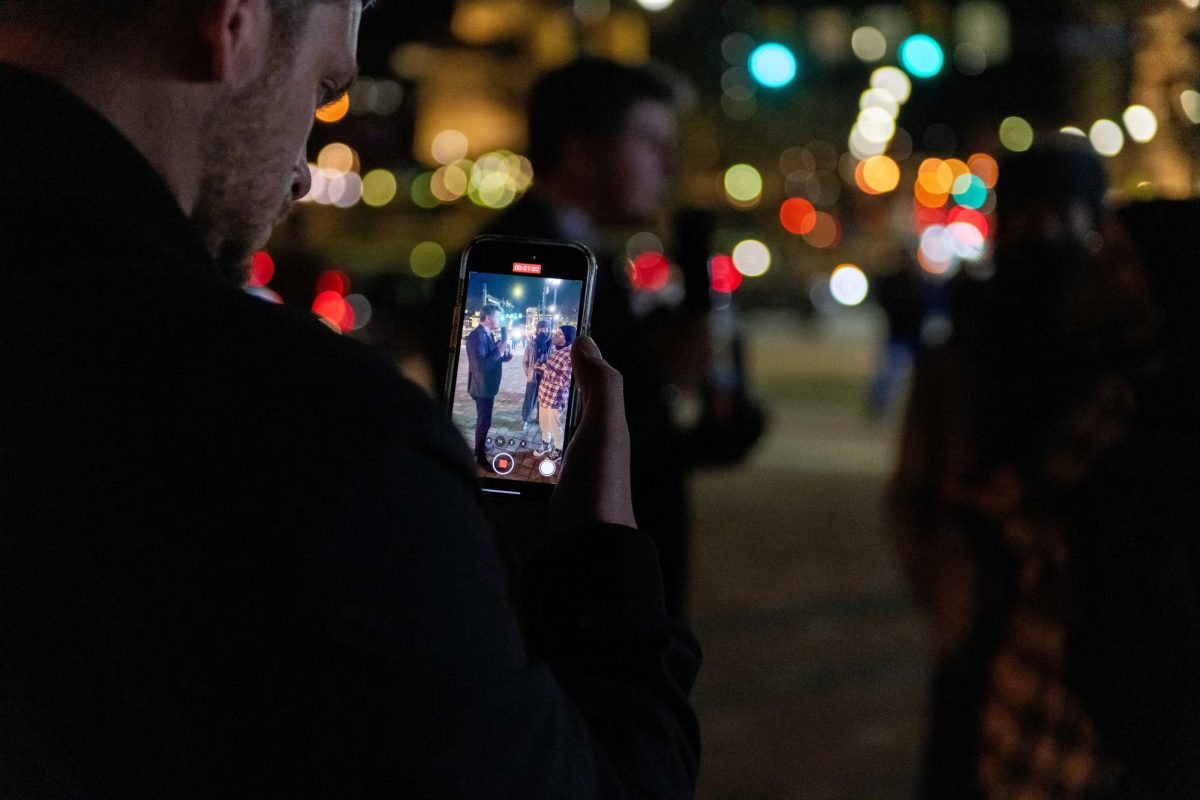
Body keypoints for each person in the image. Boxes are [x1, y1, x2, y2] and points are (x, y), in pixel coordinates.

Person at [0, 2, 701, 797]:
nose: (304, 169)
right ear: (230, 26)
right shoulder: (320, 438)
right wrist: (601, 561)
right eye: (326, 87)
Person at [888, 138, 1171, 798]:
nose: (1034, 236)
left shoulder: (1117, 355)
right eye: (1018, 218)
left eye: (1055, 216)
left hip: (1072, 633)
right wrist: (941, 584)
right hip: (972, 614)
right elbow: (911, 489)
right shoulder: (962, 351)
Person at [431, 57, 712, 619]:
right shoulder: (519, 269)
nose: (671, 163)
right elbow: (522, 471)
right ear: (583, 150)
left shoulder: (591, 260)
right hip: (573, 613)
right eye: (651, 141)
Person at [465, 303, 513, 468]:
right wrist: (500, 349)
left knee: (485, 420)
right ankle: (479, 456)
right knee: (484, 421)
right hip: (481, 387)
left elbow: (490, 357)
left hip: (488, 386)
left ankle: (481, 446)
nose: (499, 320)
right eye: (498, 317)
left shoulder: (487, 334)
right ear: (489, 317)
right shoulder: (475, 337)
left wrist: (503, 356)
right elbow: (480, 366)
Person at [533, 324, 575, 459]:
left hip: (555, 398)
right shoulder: (555, 350)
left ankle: (559, 449)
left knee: (555, 426)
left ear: (566, 339)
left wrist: (545, 369)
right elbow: (550, 369)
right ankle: (546, 444)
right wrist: (540, 367)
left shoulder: (570, 355)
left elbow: (565, 381)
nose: (555, 335)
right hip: (544, 393)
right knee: (543, 423)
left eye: (560, 334)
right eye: (556, 332)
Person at [521, 318, 552, 434]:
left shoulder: (552, 345)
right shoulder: (532, 344)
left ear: (549, 329)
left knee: (543, 400)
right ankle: (525, 419)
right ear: (537, 330)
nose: (543, 331)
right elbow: (524, 361)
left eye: (546, 328)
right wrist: (528, 372)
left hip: (546, 377)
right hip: (533, 377)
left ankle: (540, 418)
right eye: (541, 328)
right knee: (529, 399)